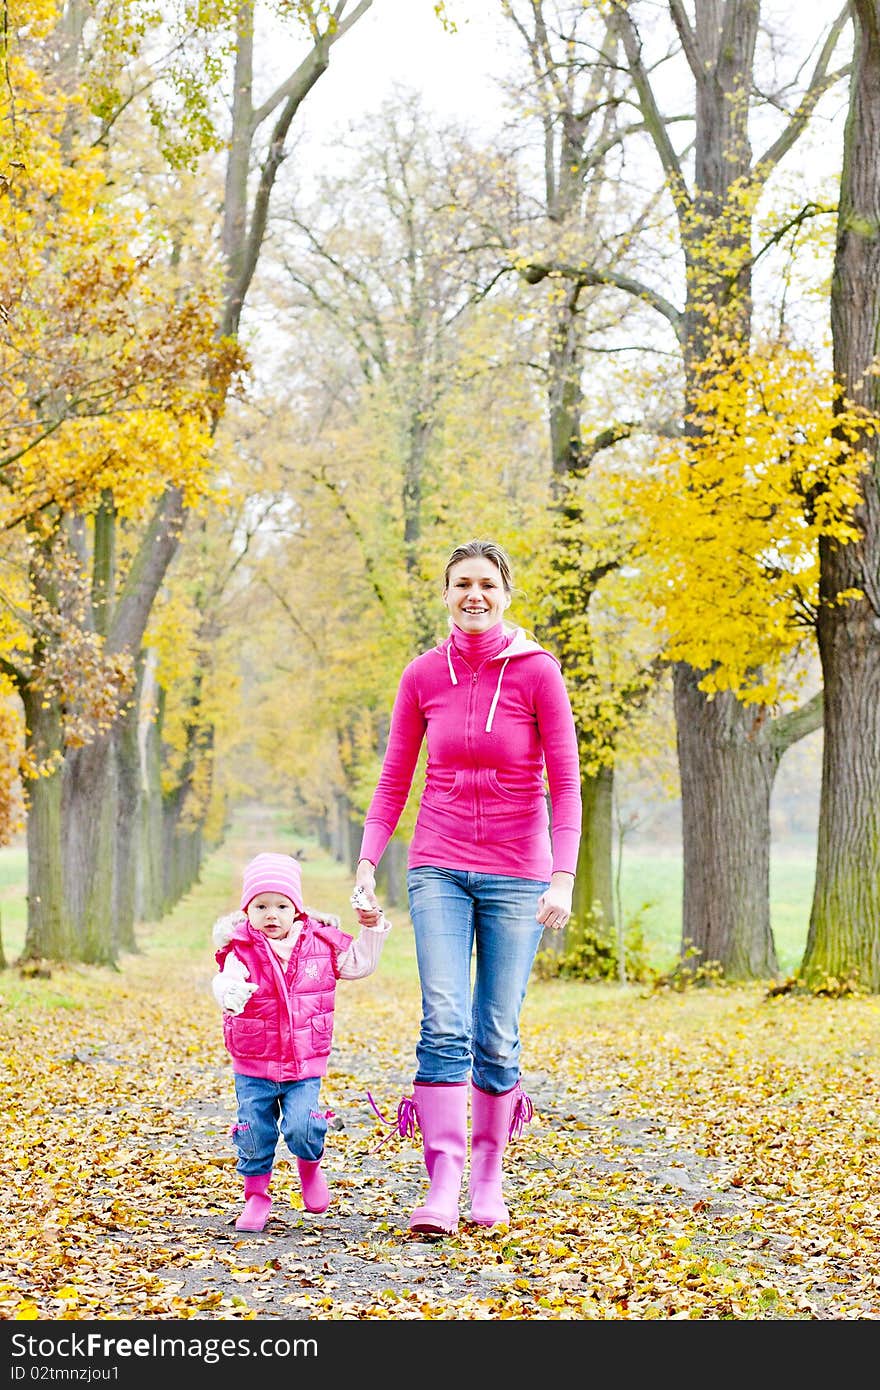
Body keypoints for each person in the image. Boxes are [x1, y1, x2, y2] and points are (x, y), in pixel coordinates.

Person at [355, 538, 581, 1235]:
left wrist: (563, 877)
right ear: (446, 594)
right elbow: (396, 776)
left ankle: (488, 1176)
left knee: (496, 1032)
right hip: (439, 865)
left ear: (505, 592)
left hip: (519, 872)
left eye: (485, 583)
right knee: (445, 1019)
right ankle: (442, 1181)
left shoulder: (539, 673)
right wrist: (368, 861)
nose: (473, 594)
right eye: (461, 584)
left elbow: (567, 784)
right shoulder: (423, 674)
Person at [212, 852, 390, 1233]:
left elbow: (358, 964)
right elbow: (224, 980)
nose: (271, 914)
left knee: (302, 1127)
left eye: (281, 905)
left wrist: (372, 928)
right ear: (247, 911)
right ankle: (257, 1197)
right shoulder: (240, 949)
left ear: (297, 909)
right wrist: (230, 994)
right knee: (255, 1132)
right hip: (254, 1062)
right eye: (261, 906)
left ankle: (310, 1168)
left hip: (303, 1062)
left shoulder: (320, 944)